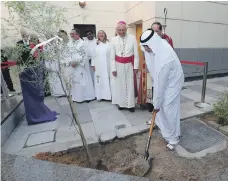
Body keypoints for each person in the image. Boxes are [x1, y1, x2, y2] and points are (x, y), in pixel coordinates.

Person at [140, 29, 184, 150]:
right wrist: (157, 102)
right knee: (159, 104)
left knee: (168, 107)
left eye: (147, 47)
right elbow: (158, 79)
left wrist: (157, 104)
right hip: (164, 79)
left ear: (153, 43)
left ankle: (174, 137)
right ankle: (162, 126)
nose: (146, 50)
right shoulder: (158, 46)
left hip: (173, 81)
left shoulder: (165, 58)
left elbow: (161, 83)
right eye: (144, 47)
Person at [17, 33, 58, 125]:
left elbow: (40, 58)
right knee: (31, 95)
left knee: (38, 92)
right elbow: (21, 59)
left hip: (36, 72)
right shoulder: (23, 46)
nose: (33, 40)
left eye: (35, 39)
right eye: (32, 39)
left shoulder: (38, 47)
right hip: (28, 73)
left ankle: (41, 110)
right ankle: (35, 115)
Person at [110, 21, 139, 112]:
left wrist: (136, 67)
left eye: (123, 30)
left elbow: (136, 55)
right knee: (120, 85)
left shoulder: (132, 38)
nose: (121, 32)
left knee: (130, 85)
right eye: (119, 30)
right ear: (116, 30)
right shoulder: (113, 40)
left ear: (126, 29)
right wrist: (113, 69)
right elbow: (112, 57)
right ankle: (121, 104)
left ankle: (131, 105)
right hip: (118, 66)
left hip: (129, 65)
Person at [68, 28, 95, 103]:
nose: (71, 35)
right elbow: (67, 53)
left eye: (73, 34)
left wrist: (76, 62)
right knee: (75, 81)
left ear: (77, 34)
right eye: (71, 34)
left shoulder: (83, 43)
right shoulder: (69, 43)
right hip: (73, 66)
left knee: (83, 81)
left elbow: (85, 54)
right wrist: (70, 61)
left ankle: (87, 97)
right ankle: (76, 97)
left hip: (81, 66)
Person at [44, 30, 68, 97]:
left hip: (58, 62)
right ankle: (56, 93)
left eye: (51, 36)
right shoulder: (46, 45)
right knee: (53, 78)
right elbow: (45, 56)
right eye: (48, 37)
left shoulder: (57, 43)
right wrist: (47, 65)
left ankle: (63, 92)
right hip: (50, 63)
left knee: (60, 78)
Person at [91, 30, 112, 101]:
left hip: (107, 65)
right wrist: (93, 65)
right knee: (99, 80)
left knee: (107, 80)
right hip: (98, 66)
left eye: (102, 33)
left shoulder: (109, 44)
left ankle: (108, 96)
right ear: (98, 36)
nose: (101, 34)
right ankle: (100, 96)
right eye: (99, 34)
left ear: (105, 35)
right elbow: (93, 56)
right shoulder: (96, 44)